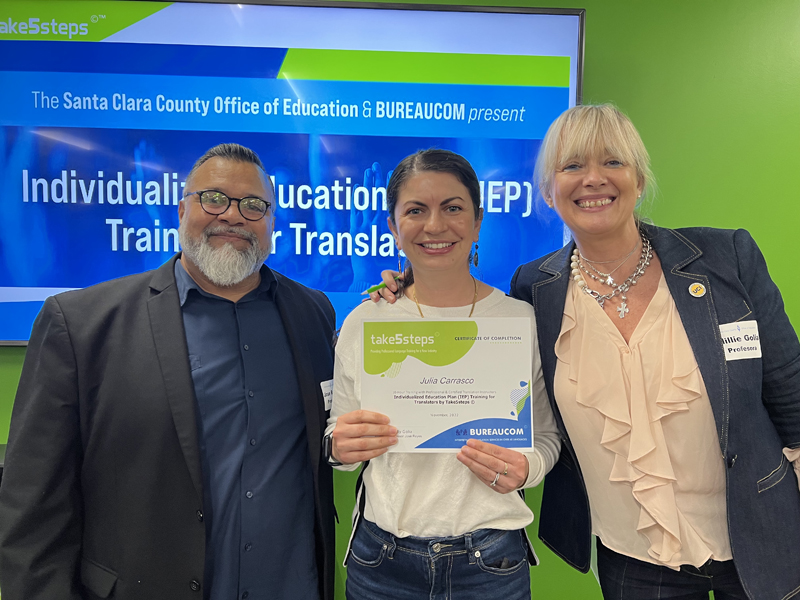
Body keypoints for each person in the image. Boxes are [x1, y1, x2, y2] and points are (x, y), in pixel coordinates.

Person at [0, 143, 336, 600]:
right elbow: (33, 504)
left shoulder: (313, 313)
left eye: (254, 205)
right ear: (181, 210)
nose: (233, 215)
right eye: (213, 199)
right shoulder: (81, 324)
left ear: (272, 222)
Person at [509, 104, 800, 599]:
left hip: (761, 535)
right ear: (548, 191)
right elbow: (480, 333)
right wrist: (405, 292)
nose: (593, 179)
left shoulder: (726, 259)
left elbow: (790, 388)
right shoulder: (534, 288)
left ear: (639, 180)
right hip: (635, 555)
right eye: (572, 165)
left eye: (613, 162)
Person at [326, 149, 560, 600]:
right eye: (416, 210)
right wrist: (340, 446)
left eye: (453, 208)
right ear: (393, 227)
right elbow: (340, 441)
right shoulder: (365, 321)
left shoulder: (520, 321)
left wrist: (526, 468)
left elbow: (547, 437)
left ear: (477, 222)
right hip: (381, 563)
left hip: (491, 562)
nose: (434, 226)